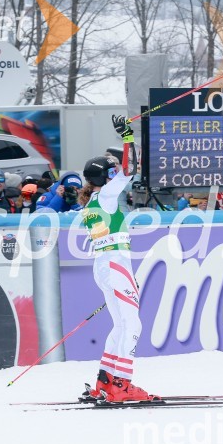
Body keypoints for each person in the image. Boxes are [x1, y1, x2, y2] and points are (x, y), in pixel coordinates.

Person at [79, 115, 157, 404]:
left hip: (106, 265)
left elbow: (126, 169)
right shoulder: (108, 195)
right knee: (132, 325)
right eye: (112, 172)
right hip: (115, 264)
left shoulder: (93, 201)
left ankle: (106, 381)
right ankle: (121, 384)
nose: (117, 174)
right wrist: (127, 136)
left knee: (122, 325)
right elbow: (132, 168)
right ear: (105, 177)